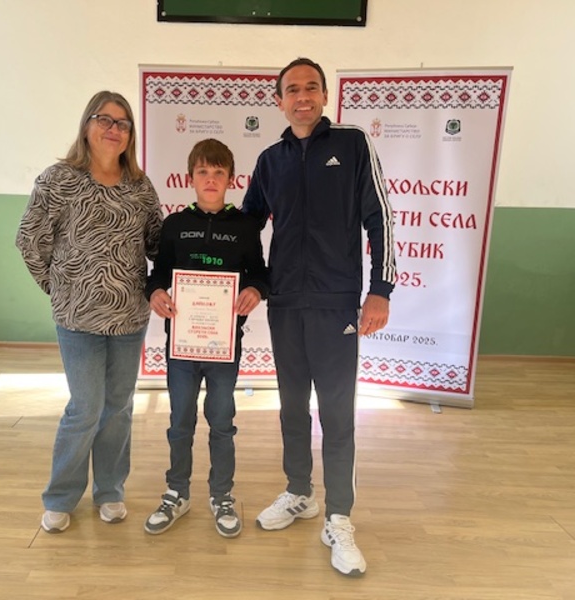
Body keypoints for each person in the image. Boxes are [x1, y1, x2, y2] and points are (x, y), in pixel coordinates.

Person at [242, 58, 397, 576]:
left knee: (336, 413)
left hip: (336, 305)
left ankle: (339, 517)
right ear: (279, 101)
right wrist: (245, 280)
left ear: (325, 96)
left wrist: (380, 291)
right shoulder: (270, 160)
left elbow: (380, 218)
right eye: (292, 90)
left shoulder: (352, 146)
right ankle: (299, 493)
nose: (302, 96)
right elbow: (247, 229)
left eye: (311, 87)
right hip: (286, 304)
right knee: (291, 407)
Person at [16, 91, 163, 534]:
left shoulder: (140, 187)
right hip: (77, 320)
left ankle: (110, 490)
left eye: (123, 123)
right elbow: (29, 240)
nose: (114, 129)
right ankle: (61, 496)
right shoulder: (58, 179)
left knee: (117, 407)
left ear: (130, 135)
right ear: (87, 125)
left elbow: (158, 245)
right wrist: (58, 288)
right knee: (85, 408)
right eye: (105, 119)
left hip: (129, 318)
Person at [143, 139, 269, 538]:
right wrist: (155, 293)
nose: (210, 180)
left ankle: (222, 495)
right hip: (181, 346)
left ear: (231, 179)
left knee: (222, 422)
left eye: (218, 173)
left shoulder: (245, 227)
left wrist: (255, 290)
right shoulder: (175, 225)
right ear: (190, 178)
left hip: (224, 347)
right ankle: (177, 492)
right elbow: (158, 274)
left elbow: (259, 273)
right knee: (180, 421)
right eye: (203, 172)